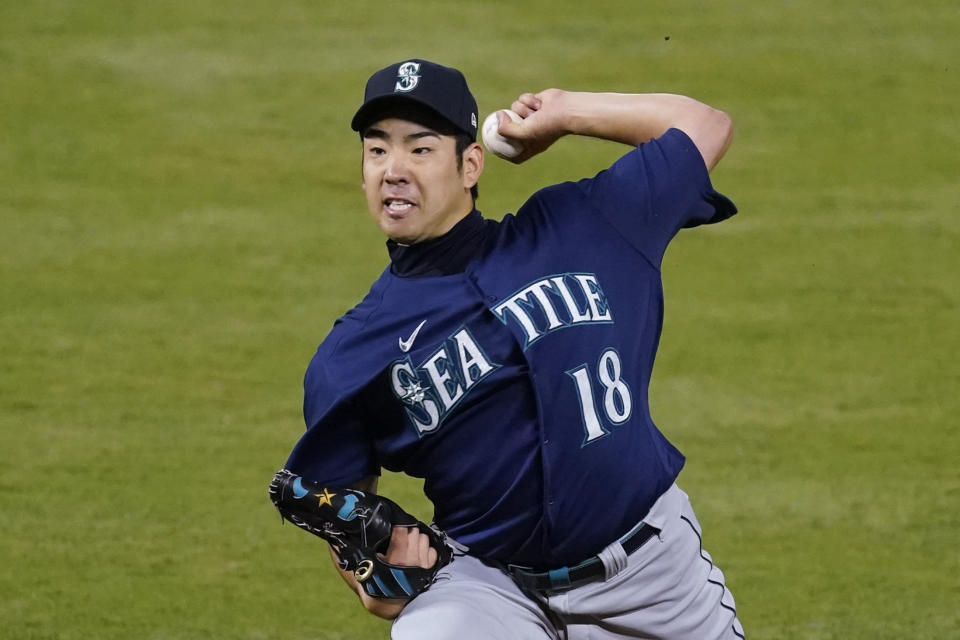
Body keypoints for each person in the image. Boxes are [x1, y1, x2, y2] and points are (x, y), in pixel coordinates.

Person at [282, 58, 745, 639]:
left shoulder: (586, 225)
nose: (393, 170)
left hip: (653, 574)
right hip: (489, 587)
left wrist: (566, 112)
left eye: (420, 149)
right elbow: (343, 514)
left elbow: (703, 126)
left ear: (470, 163)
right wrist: (371, 572)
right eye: (377, 151)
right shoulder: (352, 353)